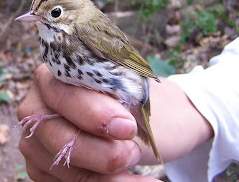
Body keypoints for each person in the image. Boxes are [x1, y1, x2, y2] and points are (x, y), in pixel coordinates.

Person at [17, 37, 239, 182]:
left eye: (54, 12)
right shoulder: (53, 45)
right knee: (95, 114)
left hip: (130, 84)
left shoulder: (85, 33)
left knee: (102, 114)